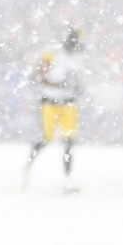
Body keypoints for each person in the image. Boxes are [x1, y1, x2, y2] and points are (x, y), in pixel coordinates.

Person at [23, 26, 85, 192]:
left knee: (69, 140)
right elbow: (39, 75)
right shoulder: (52, 53)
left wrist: (77, 86)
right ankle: (29, 164)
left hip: (68, 103)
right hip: (50, 101)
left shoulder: (77, 57)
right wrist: (56, 84)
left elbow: (79, 78)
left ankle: (68, 178)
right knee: (46, 137)